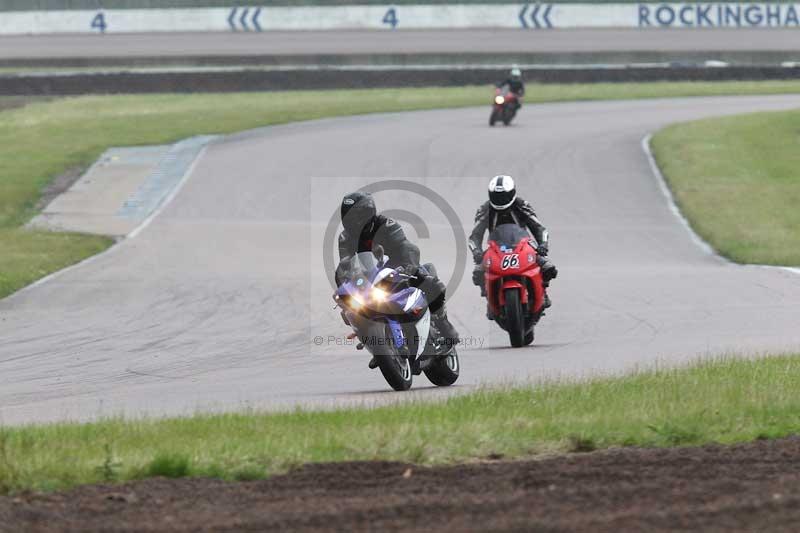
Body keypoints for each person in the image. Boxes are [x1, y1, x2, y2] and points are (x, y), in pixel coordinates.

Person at [336, 192, 460, 363]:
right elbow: (345, 264)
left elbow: (406, 246)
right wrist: (345, 284)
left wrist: (409, 266)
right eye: (347, 215)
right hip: (370, 277)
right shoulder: (345, 237)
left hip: (399, 268)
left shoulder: (385, 224)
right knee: (352, 309)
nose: (351, 221)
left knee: (429, 281)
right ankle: (379, 346)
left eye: (354, 216)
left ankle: (442, 324)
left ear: (366, 213)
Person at [469, 175, 558, 308]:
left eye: (504, 196)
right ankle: (488, 295)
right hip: (495, 246)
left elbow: (539, 228)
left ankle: (543, 292)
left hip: (523, 243)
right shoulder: (485, 209)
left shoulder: (521, 205)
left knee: (547, 266)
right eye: (497, 196)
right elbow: (474, 236)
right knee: (478, 271)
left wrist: (543, 245)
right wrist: (476, 251)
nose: (500, 199)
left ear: (512, 193)